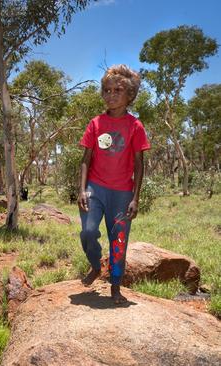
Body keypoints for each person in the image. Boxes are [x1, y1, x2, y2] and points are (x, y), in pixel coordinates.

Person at [78, 64, 151, 304]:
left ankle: (116, 286)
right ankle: (96, 264)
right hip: (95, 189)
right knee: (88, 232)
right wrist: (82, 189)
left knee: (118, 241)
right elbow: (85, 159)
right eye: (107, 90)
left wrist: (135, 198)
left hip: (121, 193)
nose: (111, 95)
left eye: (117, 90)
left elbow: (139, 165)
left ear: (129, 95)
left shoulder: (135, 126)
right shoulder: (96, 123)